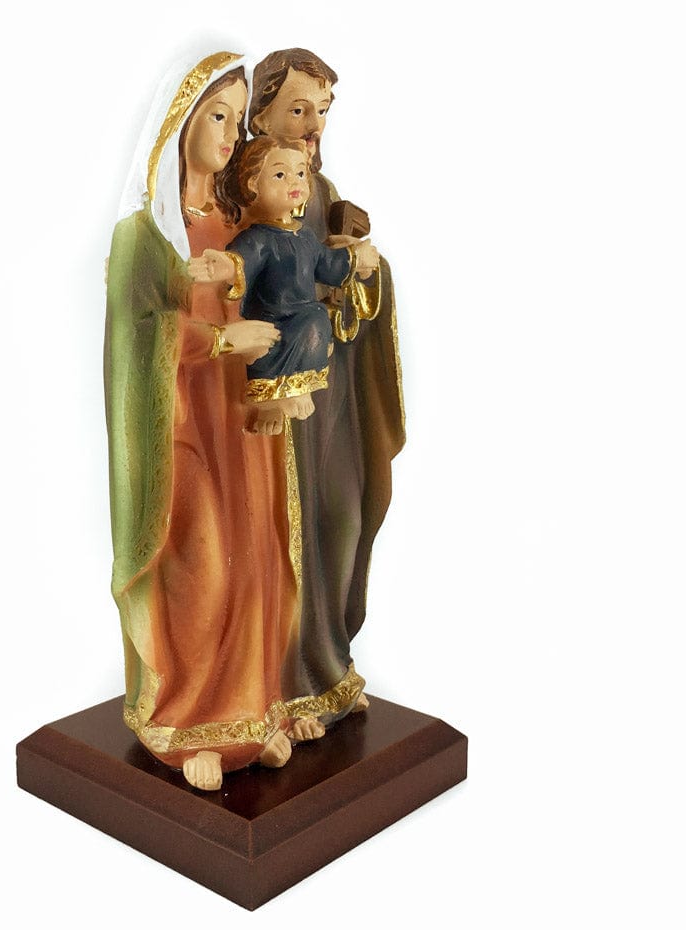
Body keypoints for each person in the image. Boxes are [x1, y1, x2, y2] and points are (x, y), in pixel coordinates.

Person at [105, 53, 297, 790]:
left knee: (256, 557)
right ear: (180, 120)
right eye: (217, 114)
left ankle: (247, 716)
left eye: (237, 119)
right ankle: (186, 724)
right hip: (181, 424)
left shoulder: (239, 223)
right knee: (200, 564)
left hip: (240, 421)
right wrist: (221, 339)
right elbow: (138, 336)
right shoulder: (146, 235)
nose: (228, 133)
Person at [249, 49, 406, 740]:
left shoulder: (323, 187)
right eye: (297, 109)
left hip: (331, 389)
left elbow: (343, 288)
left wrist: (363, 270)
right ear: (261, 117)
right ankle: (281, 687)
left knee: (342, 514)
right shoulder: (251, 188)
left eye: (322, 111)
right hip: (278, 399)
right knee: (285, 533)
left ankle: (327, 666)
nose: (314, 125)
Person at [189, 135, 379, 435]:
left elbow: (328, 265)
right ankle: (275, 400)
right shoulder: (259, 238)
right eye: (280, 175)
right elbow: (242, 260)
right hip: (273, 319)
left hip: (305, 318)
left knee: (317, 318)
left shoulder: (305, 237)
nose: (294, 181)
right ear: (253, 184)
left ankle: (293, 392)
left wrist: (355, 258)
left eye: (301, 173)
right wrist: (224, 266)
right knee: (303, 326)